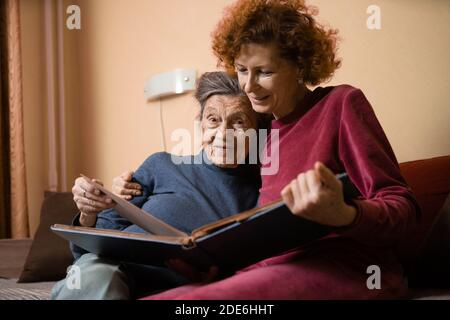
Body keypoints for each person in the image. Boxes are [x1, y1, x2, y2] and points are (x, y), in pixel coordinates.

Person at [126, 0, 419, 300]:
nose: (249, 86)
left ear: (300, 65)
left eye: (264, 71)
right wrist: (216, 272)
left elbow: (404, 209)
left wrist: (345, 213)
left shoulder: (341, 104)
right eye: (241, 70)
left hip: (352, 269)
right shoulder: (262, 135)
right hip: (271, 271)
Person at [51, 71, 266, 300]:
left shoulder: (260, 192)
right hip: (112, 270)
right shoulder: (161, 165)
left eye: (239, 122)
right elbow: (88, 250)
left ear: (256, 132)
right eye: (214, 120)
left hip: (180, 288)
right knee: (97, 278)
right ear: (200, 124)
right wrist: (88, 213)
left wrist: (217, 278)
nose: (223, 134)